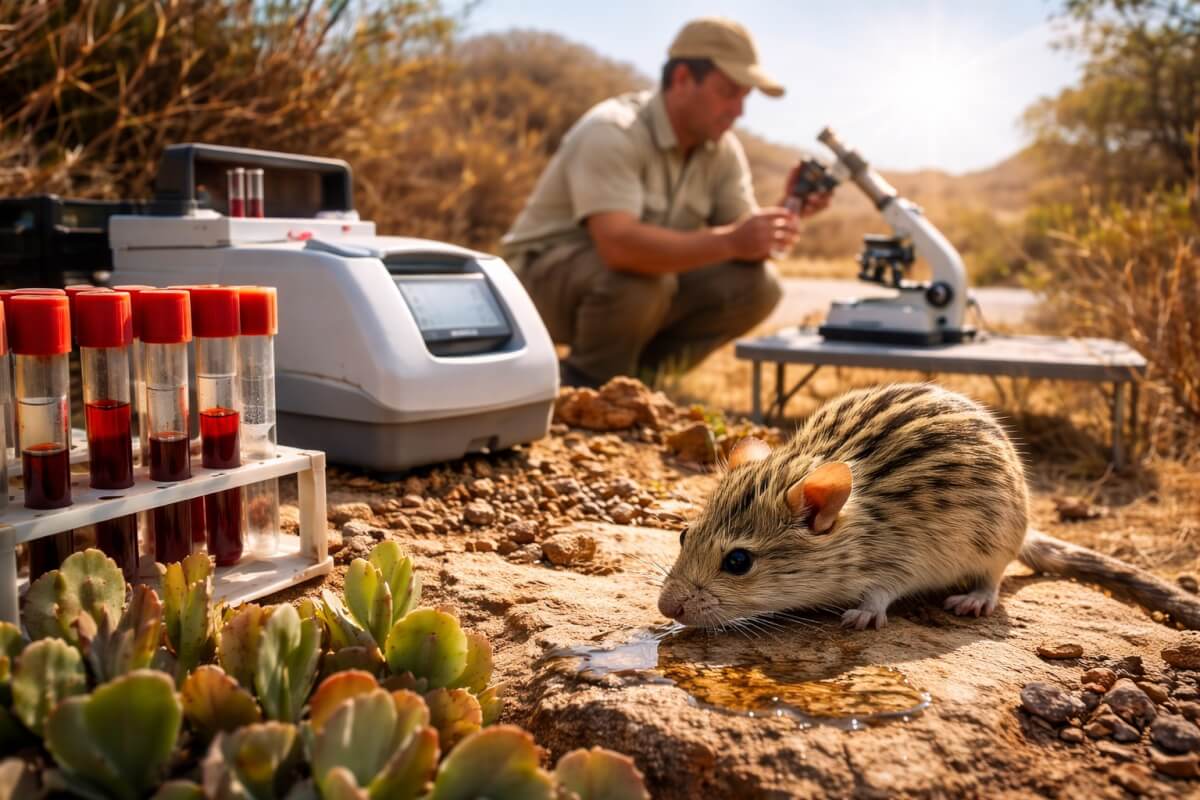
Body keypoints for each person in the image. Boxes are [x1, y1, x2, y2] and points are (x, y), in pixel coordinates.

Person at [500, 17, 831, 389]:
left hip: (635, 283)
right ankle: (586, 384)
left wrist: (790, 208)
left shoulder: (722, 151)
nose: (739, 110)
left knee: (759, 286)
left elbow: (745, 243)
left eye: (745, 97)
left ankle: (639, 380)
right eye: (728, 91)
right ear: (683, 78)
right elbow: (620, 248)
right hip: (535, 289)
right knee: (642, 281)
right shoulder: (612, 131)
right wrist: (730, 241)